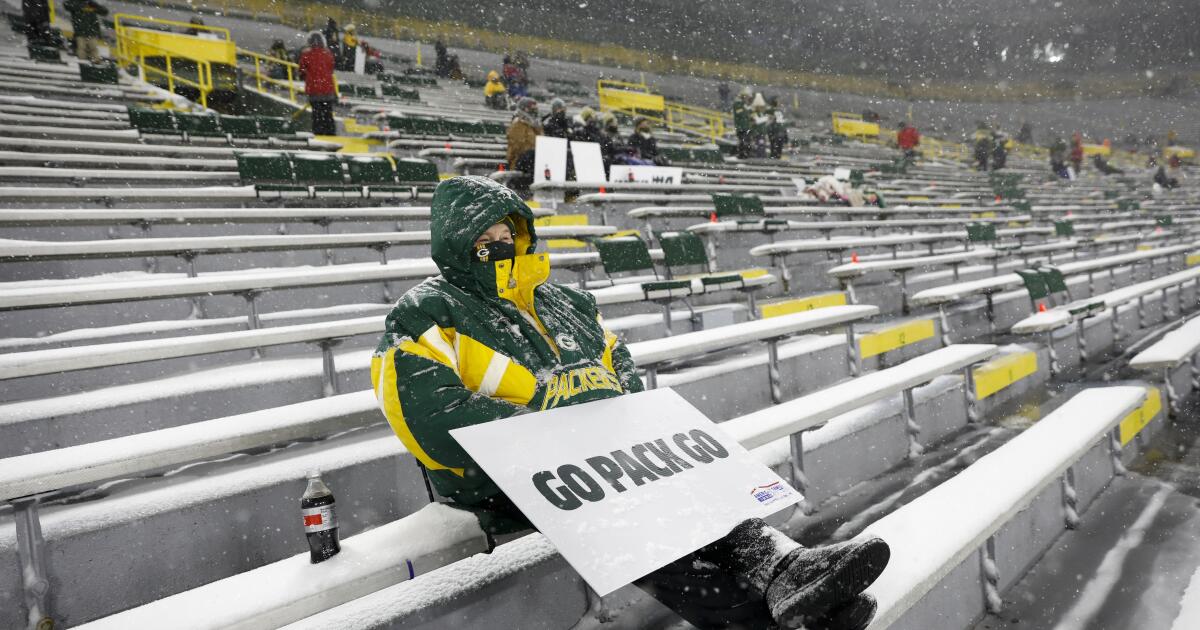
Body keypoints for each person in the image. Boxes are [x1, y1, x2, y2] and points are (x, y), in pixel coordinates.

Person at [371, 175, 891, 630]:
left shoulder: (562, 300)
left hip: (599, 459)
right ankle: (766, 616)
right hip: (500, 484)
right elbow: (429, 418)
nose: (499, 246)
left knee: (679, 476)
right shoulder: (425, 313)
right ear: (457, 244)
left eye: (507, 236)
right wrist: (549, 428)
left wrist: (606, 422)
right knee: (631, 513)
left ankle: (783, 569)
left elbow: (619, 365)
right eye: (484, 239)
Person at [298, 32, 337, 136]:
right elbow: (331, 68)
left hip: (314, 90)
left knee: (316, 115)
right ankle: (330, 134)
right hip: (328, 89)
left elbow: (301, 71)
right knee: (328, 113)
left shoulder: (306, 55)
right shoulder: (328, 54)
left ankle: (319, 135)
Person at [506, 97, 542, 193]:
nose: (535, 110)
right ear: (524, 109)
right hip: (521, 163)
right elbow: (517, 149)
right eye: (532, 108)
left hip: (534, 163)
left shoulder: (535, 125)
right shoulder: (518, 124)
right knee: (531, 156)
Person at [63, 0, 108, 64]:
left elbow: (105, 12)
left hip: (91, 31)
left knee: (93, 48)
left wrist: (96, 6)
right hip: (81, 31)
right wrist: (80, 5)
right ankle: (83, 63)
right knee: (82, 48)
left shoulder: (91, 4)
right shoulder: (76, 3)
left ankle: (95, 63)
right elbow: (66, 5)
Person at [732, 86, 753, 159]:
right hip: (741, 126)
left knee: (747, 141)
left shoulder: (744, 104)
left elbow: (749, 114)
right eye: (746, 96)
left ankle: (746, 154)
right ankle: (742, 154)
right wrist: (746, 109)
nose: (747, 98)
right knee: (742, 142)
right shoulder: (738, 103)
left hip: (746, 126)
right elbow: (740, 113)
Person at [748, 93, 770, 158]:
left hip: (762, 132)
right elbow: (757, 121)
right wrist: (766, 118)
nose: (761, 108)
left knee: (762, 145)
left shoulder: (762, 114)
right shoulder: (754, 113)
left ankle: (762, 156)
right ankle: (760, 157)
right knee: (760, 145)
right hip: (757, 132)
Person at [767, 96, 788, 160]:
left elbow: (782, 124)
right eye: (778, 101)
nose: (779, 103)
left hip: (780, 133)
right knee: (774, 149)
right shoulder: (770, 110)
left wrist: (785, 134)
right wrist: (771, 133)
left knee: (779, 149)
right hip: (774, 132)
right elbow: (769, 122)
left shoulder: (779, 111)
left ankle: (777, 160)